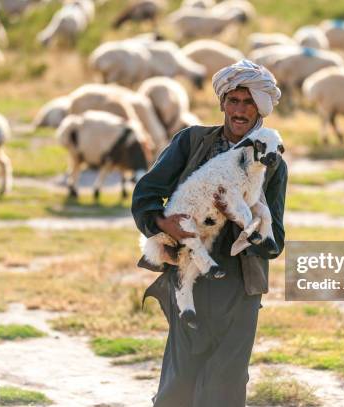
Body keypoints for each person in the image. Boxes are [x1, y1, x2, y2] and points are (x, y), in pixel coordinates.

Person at [131, 59, 287, 407]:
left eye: (248, 102)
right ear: (222, 104)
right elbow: (146, 194)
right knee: (180, 380)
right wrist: (163, 224)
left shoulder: (273, 160)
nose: (240, 110)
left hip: (239, 286)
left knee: (226, 384)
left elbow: (275, 241)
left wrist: (244, 221)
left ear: (261, 109)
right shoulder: (192, 142)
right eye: (233, 100)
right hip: (189, 275)